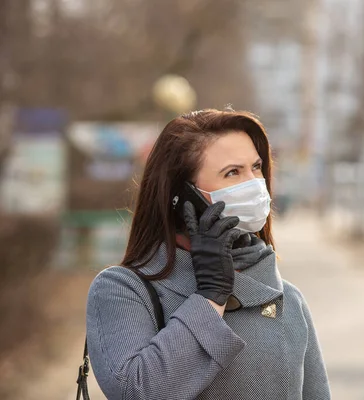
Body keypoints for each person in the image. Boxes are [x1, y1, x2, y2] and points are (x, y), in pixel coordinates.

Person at [85, 108, 331, 399]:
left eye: (256, 167)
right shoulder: (123, 290)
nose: (253, 184)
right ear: (184, 198)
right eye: (232, 173)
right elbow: (135, 391)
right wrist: (210, 299)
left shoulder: (287, 298)